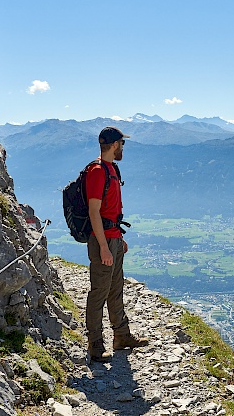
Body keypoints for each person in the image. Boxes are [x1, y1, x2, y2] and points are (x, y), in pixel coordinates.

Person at [85, 126, 148, 362]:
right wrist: (103, 246)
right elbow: (94, 212)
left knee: (115, 288)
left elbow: (110, 212)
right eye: (122, 143)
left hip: (113, 237)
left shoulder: (111, 169)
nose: (123, 148)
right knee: (99, 291)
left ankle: (121, 336)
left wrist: (118, 240)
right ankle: (95, 344)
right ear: (114, 145)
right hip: (102, 240)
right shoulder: (98, 171)